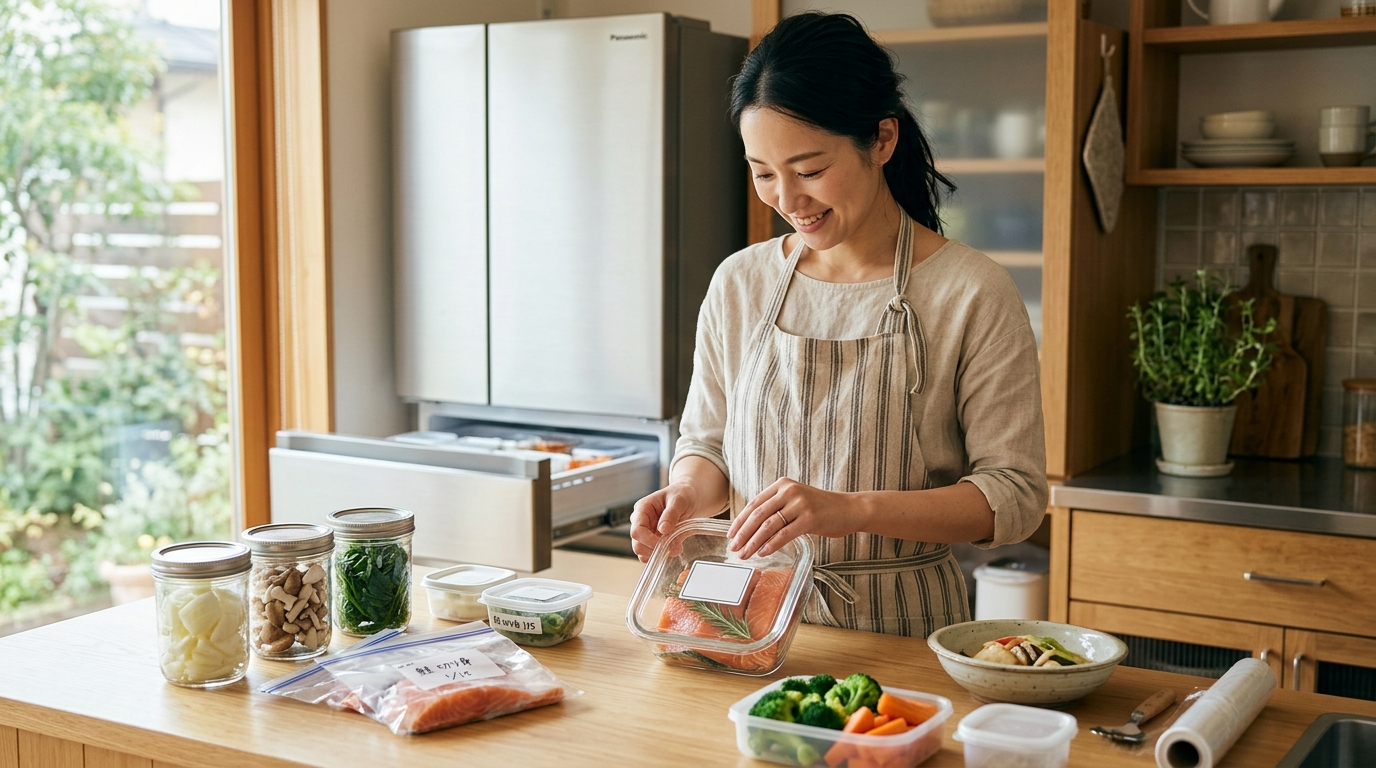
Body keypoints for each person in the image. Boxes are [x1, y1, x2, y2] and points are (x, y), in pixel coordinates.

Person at [629, 12, 1047, 637]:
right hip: (745, 620)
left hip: (901, 627)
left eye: (810, 169)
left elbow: (1014, 497)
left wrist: (853, 510)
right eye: (763, 172)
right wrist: (687, 493)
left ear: (881, 140)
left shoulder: (971, 291)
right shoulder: (740, 284)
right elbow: (708, 444)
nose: (787, 200)